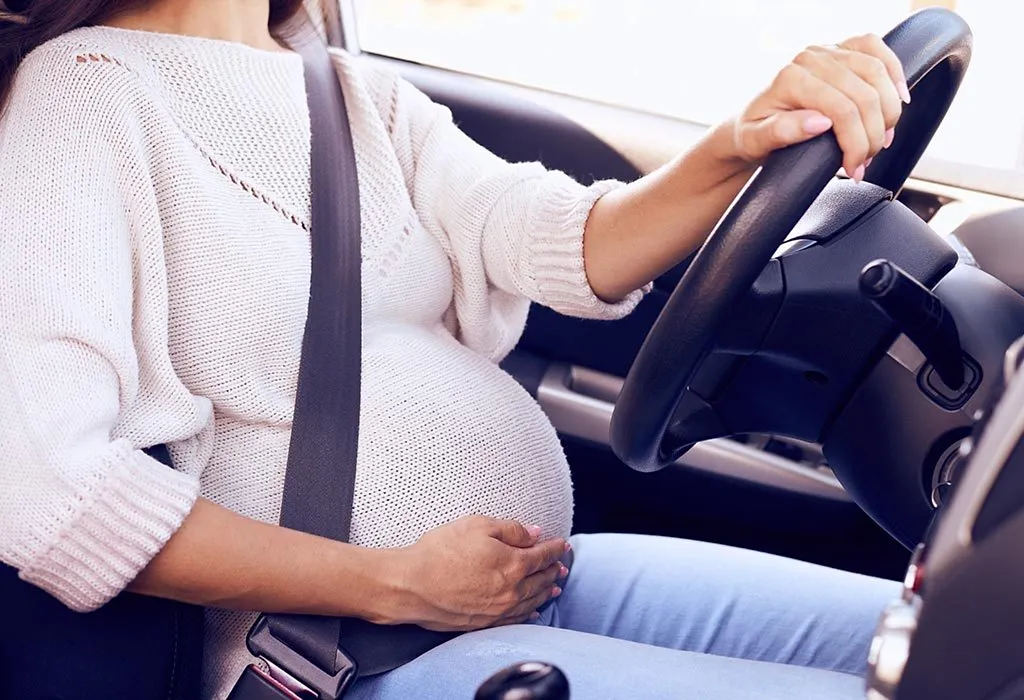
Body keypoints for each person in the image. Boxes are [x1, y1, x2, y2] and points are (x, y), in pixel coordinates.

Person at [0, 0, 909, 698]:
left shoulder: (348, 91)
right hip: (344, 657)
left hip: (527, 584)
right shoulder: (86, 90)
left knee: (949, 644)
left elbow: (543, 233)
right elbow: (46, 485)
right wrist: (393, 584)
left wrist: (743, 144)